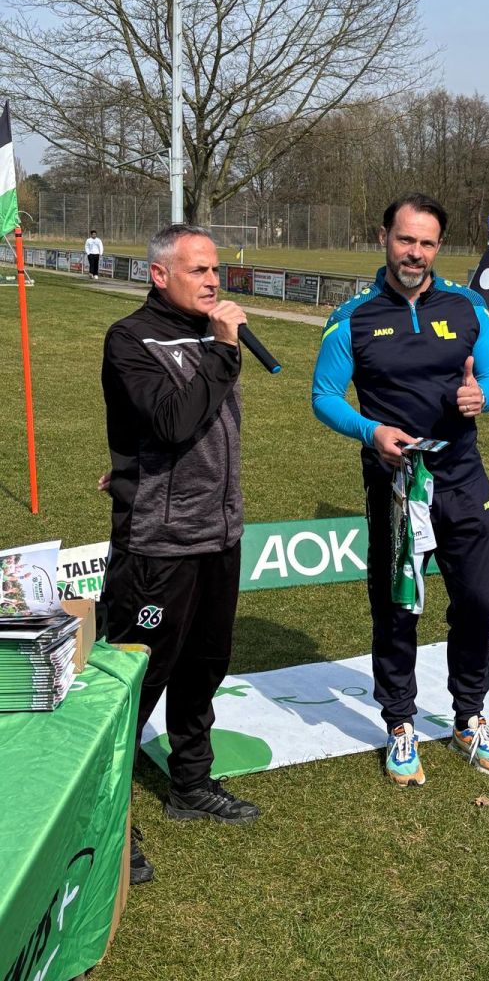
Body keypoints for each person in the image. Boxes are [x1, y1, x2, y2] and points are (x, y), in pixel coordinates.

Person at [312, 193, 489, 787]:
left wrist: (483, 397)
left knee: (478, 601)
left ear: (438, 247)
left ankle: (469, 717)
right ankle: (399, 723)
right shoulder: (353, 317)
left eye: (427, 243)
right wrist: (370, 431)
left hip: (463, 479)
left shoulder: (468, 306)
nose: (415, 253)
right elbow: (324, 397)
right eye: (406, 239)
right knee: (399, 607)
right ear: (384, 238)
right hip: (396, 486)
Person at [100, 223, 260, 886]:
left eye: (216, 270)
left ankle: (191, 783)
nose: (213, 281)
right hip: (158, 546)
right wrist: (222, 352)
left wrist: (219, 348)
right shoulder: (130, 339)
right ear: (160, 274)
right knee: (132, 688)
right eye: (198, 270)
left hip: (219, 535)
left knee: (203, 670)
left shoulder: (211, 335)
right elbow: (170, 423)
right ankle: (105, 819)